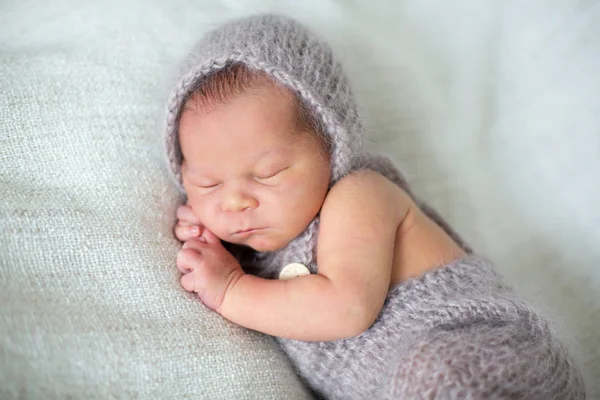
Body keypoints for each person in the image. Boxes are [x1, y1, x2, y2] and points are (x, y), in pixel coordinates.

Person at [163, 13, 585, 399]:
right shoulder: (256, 251)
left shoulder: (359, 195)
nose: (235, 200)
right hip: (404, 382)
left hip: (481, 354)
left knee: (437, 374)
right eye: (209, 182)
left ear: (332, 146)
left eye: (268, 172)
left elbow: (345, 307)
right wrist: (213, 244)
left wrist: (230, 288)